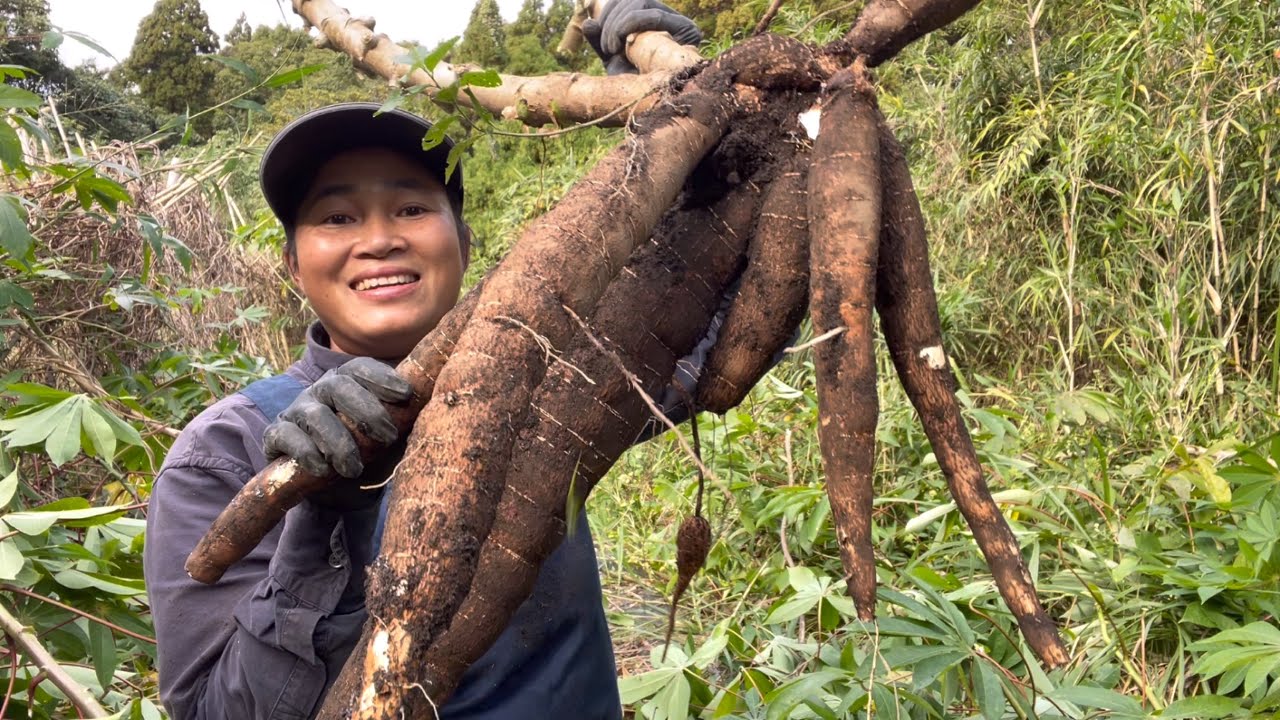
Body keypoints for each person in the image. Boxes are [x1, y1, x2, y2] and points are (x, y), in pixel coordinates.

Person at [143, 5, 704, 719]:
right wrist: (322, 525)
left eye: (411, 208)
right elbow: (211, 711)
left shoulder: (553, 376)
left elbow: (719, 324)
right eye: (337, 218)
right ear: (292, 266)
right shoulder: (222, 453)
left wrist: (687, 128)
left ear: (464, 245)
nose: (378, 240)